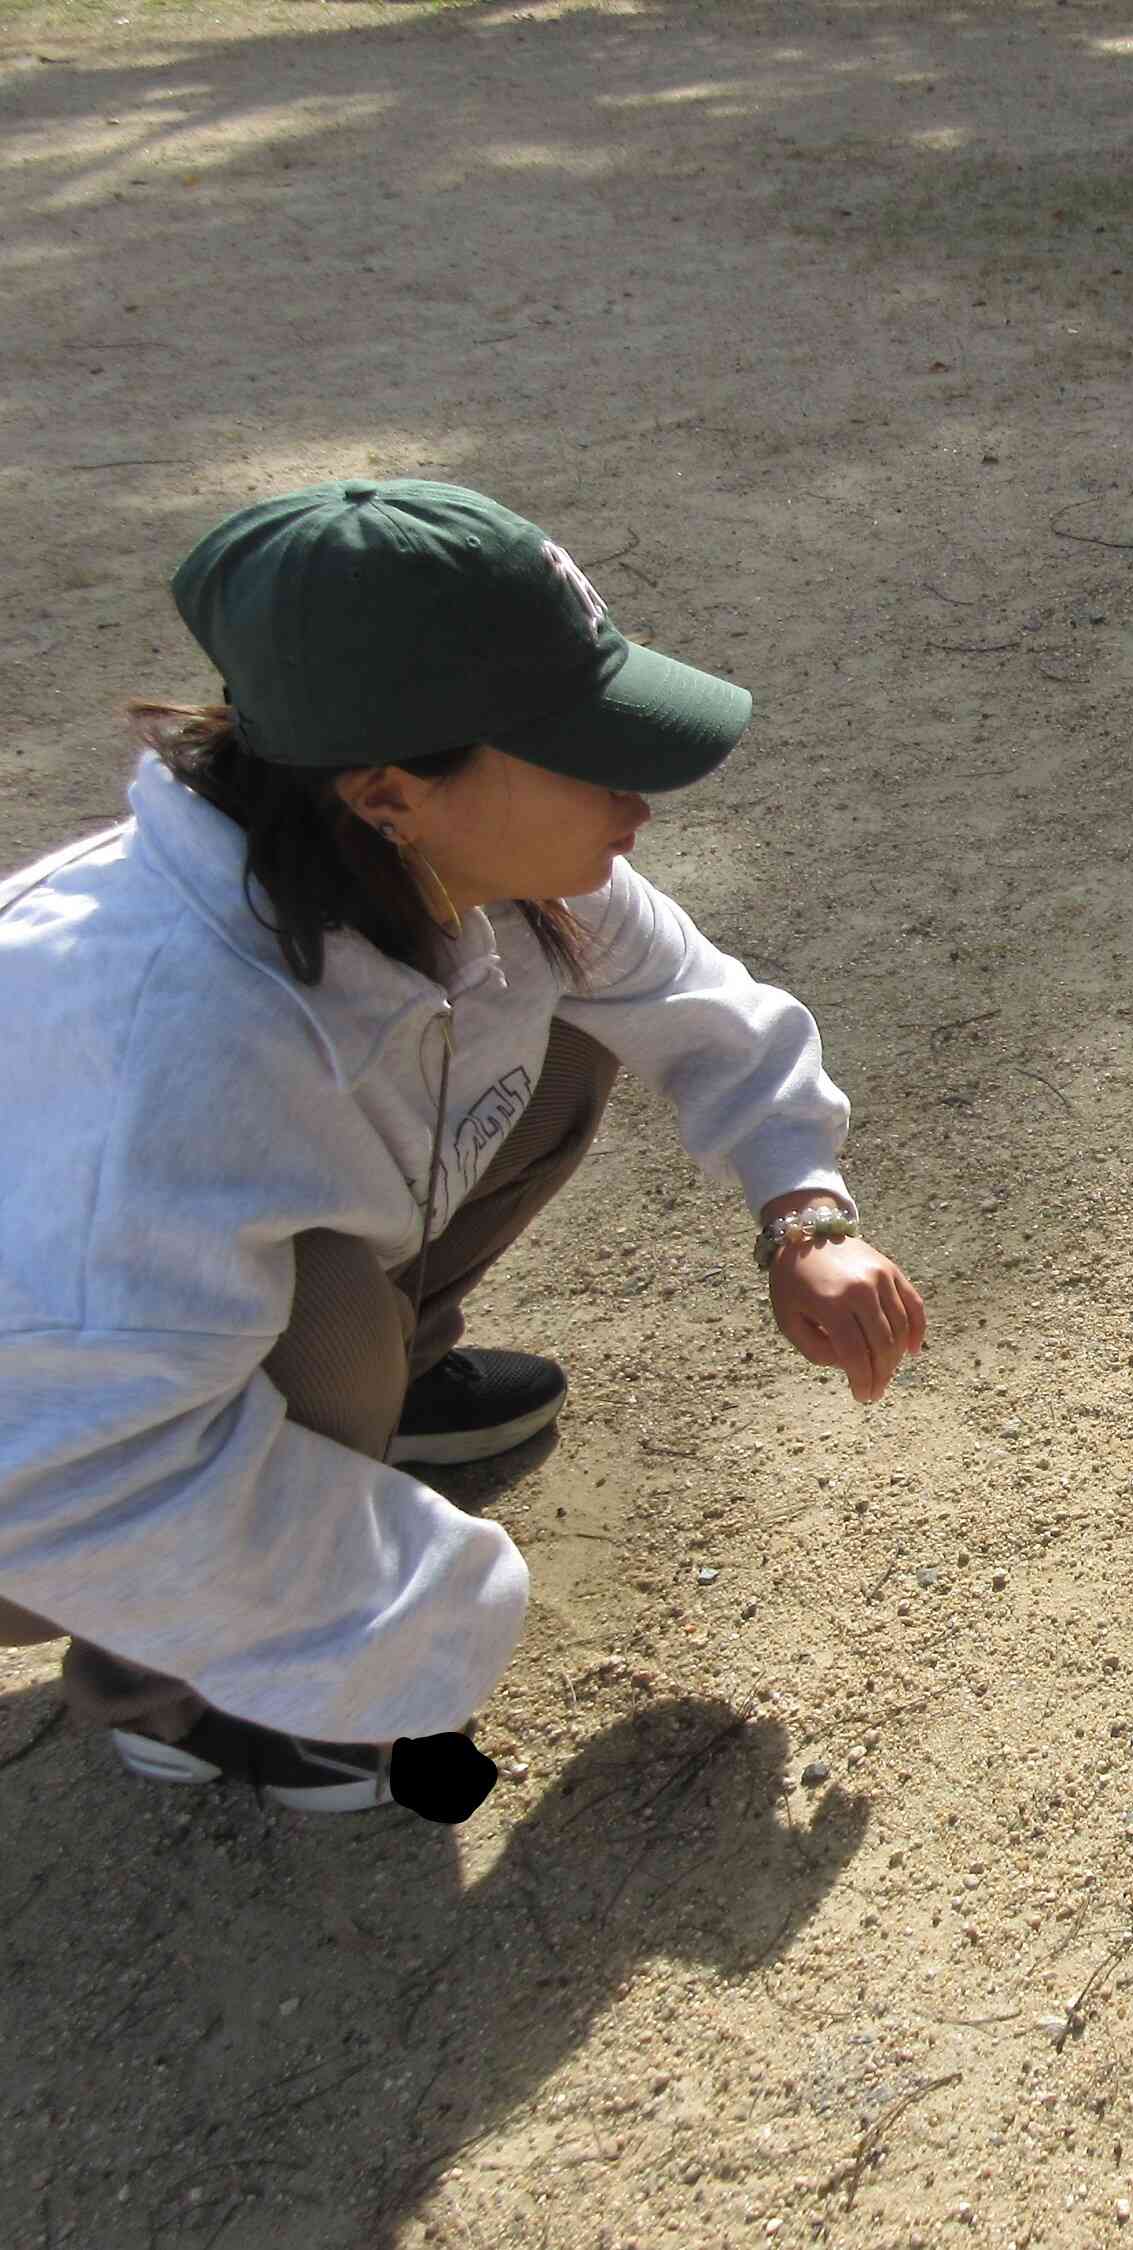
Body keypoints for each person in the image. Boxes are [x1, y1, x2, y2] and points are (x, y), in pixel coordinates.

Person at [0, 478, 927, 1818]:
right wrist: (421, 1608)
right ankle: (186, 1698)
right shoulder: (171, 1063)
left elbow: (706, 1011)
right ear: (388, 793)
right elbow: (72, 1464)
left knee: (559, 1033)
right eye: (582, 750)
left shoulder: (449, 867)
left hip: (127, 1351)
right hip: (35, 1451)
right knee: (318, 1309)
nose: (641, 796)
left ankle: (370, 1402)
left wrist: (807, 1216)